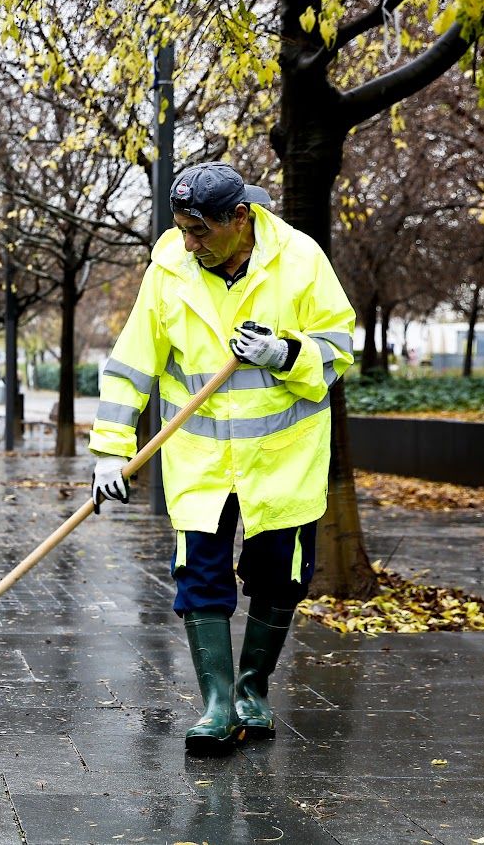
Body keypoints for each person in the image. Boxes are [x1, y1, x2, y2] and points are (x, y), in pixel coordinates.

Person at [88, 162, 354, 755]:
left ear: (240, 218)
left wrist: (284, 353)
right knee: (200, 579)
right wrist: (110, 453)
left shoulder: (301, 259)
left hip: (282, 459)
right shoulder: (169, 272)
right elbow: (131, 365)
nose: (189, 242)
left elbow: (338, 351)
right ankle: (216, 704)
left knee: (279, 579)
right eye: (182, 228)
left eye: (200, 230)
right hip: (200, 463)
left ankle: (251, 692)